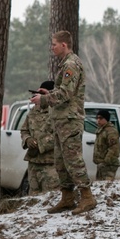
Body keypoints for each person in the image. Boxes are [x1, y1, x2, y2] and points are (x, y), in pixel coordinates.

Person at [30, 30, 97, 215]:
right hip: (61, 120)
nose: (52, 48)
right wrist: (47, 95)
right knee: (60, 161)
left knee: (73, 160)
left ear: (64, 45)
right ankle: (67, 197)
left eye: (54, 44)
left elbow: (66, 93)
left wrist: (43, 100)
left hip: (70, 120)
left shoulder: (71, 65)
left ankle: (87, 197)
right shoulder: (65, 64)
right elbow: (61, 91)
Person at [19, 80, 59, 195]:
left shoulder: (56, 112)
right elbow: (24, 130)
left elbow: (58, 134)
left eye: (42, 94)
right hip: (33, 163)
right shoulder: (33, 111)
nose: (37, 97)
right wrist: (28, 140)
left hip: (50, 164)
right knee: (33, 198)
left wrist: (39, 145)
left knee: (50, 197)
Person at [93, 109, 120, 181]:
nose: (98, 120)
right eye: (97, 118)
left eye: (101, 118)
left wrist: (106, 161)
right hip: (102, 165)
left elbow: (114, 148)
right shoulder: (101, 130)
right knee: (100, 185)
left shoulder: (111, 131)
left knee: (106, 185)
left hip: (108, 165)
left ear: (106, 119)